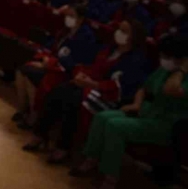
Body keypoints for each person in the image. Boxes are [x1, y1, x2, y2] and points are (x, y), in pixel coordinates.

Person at [22, 20, 149, 164]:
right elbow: (94, 68)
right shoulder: (109, 49)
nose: (119, 33)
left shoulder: (136, 60)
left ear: (134, 37)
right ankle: (40, 134)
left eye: (124, 31)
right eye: (119, 29)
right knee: (58, 92)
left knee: (74, 102)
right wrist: (83, 76)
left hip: (108, 95)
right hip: (90, 85)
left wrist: (93, 84)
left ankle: (63, 147)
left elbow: (124, 86)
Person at [71, 35, 188, 189]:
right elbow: (143, 87)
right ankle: (91, 160)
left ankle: (110, 178)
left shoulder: (181, 76)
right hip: (146, 113)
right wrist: (136, 104)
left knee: (115, 126)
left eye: (166, 56)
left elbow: (170, 89)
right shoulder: (163, 69)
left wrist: (182, 70)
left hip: (165, 124)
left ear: (179, 59)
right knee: (101, 117)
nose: (162, 59)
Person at [13, 4, 98, 130]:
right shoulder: (64, 32)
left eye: (71, 16)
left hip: (65, 72)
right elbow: (51, 47)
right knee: (22, 71)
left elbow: (76, 62)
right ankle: (22, 110)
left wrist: (48, 64)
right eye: (67, 15)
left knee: (30, 75)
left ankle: (34, 117)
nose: (68, 18)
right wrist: (45, 59)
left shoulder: (86, 37)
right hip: (52, 65)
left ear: (80, 19)